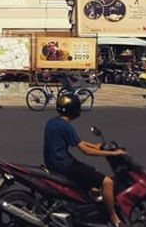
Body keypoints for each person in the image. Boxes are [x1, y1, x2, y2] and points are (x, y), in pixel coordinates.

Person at [44, 92, 127, 227]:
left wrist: (96, 146)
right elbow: (85, 150)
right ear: (74, 110)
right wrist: (112, 153)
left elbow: (78, 142)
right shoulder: (66, 126)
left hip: (56, 163)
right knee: (107, 182)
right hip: (64, 165)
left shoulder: (53, 122)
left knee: (94, 187)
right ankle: (114, 218)